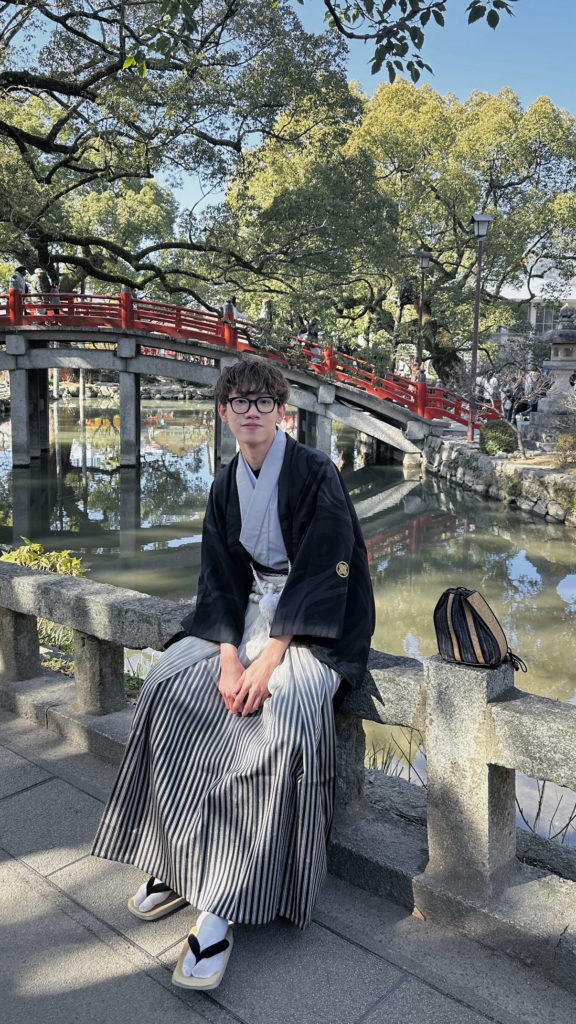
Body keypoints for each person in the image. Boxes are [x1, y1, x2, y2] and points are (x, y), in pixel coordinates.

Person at [92, 357, 375, 992]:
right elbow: (218, 575)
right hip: (246, 611)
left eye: (263, 401)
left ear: (282, 412)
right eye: (239, 401)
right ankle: (177, 860)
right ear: (223, 412)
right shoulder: (226, 482)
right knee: (169, 688)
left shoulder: (315, 471)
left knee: (280, 717)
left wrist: (270, 657)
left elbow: (328, 567)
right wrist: (226, 654)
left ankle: (222, 899)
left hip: (313, 623)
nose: (251, 411)